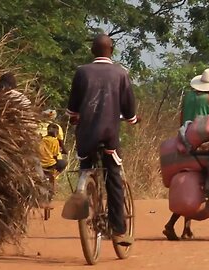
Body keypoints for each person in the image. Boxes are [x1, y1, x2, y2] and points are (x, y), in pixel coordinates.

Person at [66, 33, 138, 246]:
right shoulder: (121, 73)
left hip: (87, 136)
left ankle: (85, 192)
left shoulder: (82, 72)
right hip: (109, 136)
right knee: (114, 178)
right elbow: (129, 108)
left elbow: (72, 108)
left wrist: (75, 117)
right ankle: (118, 230)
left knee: (85, 166)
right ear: (111, 50)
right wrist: (133, 119)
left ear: (92, 51)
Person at [163, 68, 209, 241]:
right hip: (203, 147)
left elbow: (181, 119)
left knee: (191, 187)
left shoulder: (189, 97)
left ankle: (180, 227)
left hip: (185, 144)